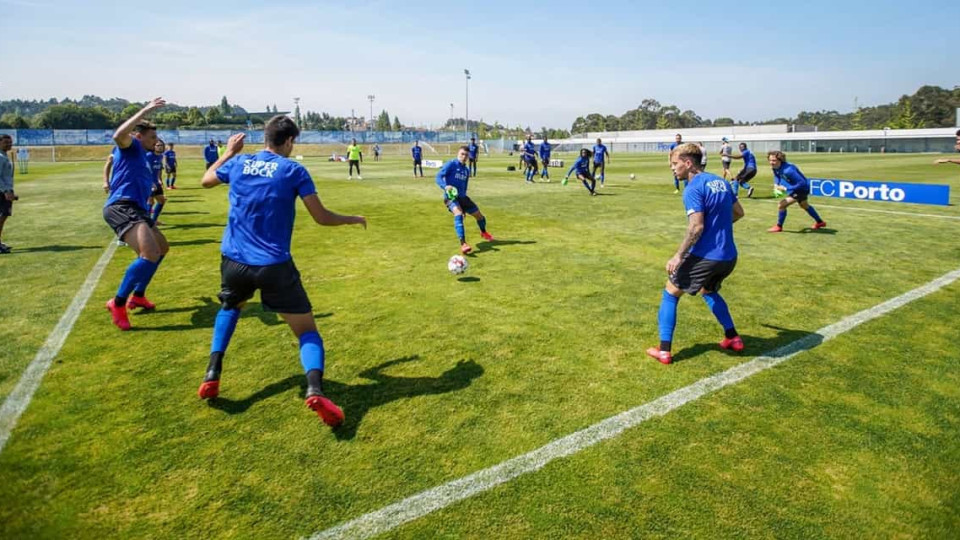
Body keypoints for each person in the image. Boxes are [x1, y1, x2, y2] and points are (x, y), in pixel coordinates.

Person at [197, 116, 367, 428]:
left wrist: (229, 153)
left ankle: (212, 372)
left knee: (230, 305)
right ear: (288, 141)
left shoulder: (239, 163)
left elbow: (206, 180)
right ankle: (314, 389)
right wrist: (352, 218)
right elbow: (321, 217)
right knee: (306, 331)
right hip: (273, 265)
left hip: (234, 261)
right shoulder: (292, 170)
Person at [646, 143, 745, 364]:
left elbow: (696, 227)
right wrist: (718, 228)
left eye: (674, 164)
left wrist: (678, 255)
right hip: (728, 256)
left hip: (706, 256)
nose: (672, 169)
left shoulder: (692, 188)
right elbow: (738, 212)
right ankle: (733, 337)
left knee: (670, 292)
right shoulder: (721, 181)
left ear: (688, 163)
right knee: (708, 290)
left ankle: (664, 351)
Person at [102, 98, 171, 330]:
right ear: (138, 136)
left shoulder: (145, 155)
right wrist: (145, 110)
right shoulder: (130, 147)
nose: (156, 141)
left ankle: (138, 294)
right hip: (122, 206)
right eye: (152, 137)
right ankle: (118, 302)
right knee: (149, 252)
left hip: (137, 209)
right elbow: (118, 135)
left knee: (162, 248)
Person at [436, 145, 493, 254]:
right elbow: (438, 177)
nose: (464, 156)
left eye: (466, 155)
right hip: (450, 197)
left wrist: (464, 203)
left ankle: (484, 232)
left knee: (479, 216)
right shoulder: (451, 164)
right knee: (458, 214)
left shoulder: (466, 170)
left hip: (463, 198)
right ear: (458, 154)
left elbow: (465, 186)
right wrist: (445, 186)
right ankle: (463, 244)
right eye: (462, 154)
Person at [766, 151, 826, 232]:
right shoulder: (775, 167)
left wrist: (786, 189)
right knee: (804, 205)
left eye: (774, 160)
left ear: (780, 160)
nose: (771, 162)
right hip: (798, 189)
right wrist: (776, 184)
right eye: (770, 160)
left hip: (802, 189)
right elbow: (776, 175)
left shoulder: (788, 170)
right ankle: (820, 222)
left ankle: (779, 226)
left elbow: (802, 183)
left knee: (781, 205)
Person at [0, 135, 15, 254]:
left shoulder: (4, 156)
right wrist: (6, 191)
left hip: (6, 190)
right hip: (2, 192)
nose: (9, 145)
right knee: (2, 216)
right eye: (6, 143)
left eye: (10, 142)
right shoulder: (0, 157)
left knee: (3, 217)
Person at [146, 140, 167, 224]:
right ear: (153, 146)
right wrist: (150, 183)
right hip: (148, 183)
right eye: (158, 145)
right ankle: (147, 222)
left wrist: (159, 179)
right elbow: (145, 170)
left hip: (156, 183)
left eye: (161, 145)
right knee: (150, 201)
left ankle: (153, 220)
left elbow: (158, 169)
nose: (160, 147)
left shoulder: (160, 156)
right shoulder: (149, 156)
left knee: (161, 200)